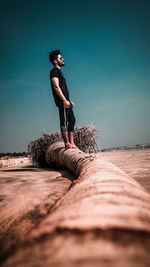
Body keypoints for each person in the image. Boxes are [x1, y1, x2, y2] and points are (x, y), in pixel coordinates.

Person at [49, 49, 77, 149]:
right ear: (55, 61)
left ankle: (72, 142)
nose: (63, 59)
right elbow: (56, 86)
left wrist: (69, 101)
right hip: (62, 101)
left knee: (72, 120)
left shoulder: (59, 71)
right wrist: (64, 100)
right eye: (61, 58)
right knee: (64, 121)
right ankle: (67, 144)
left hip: (66, 101)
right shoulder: (54, 71)